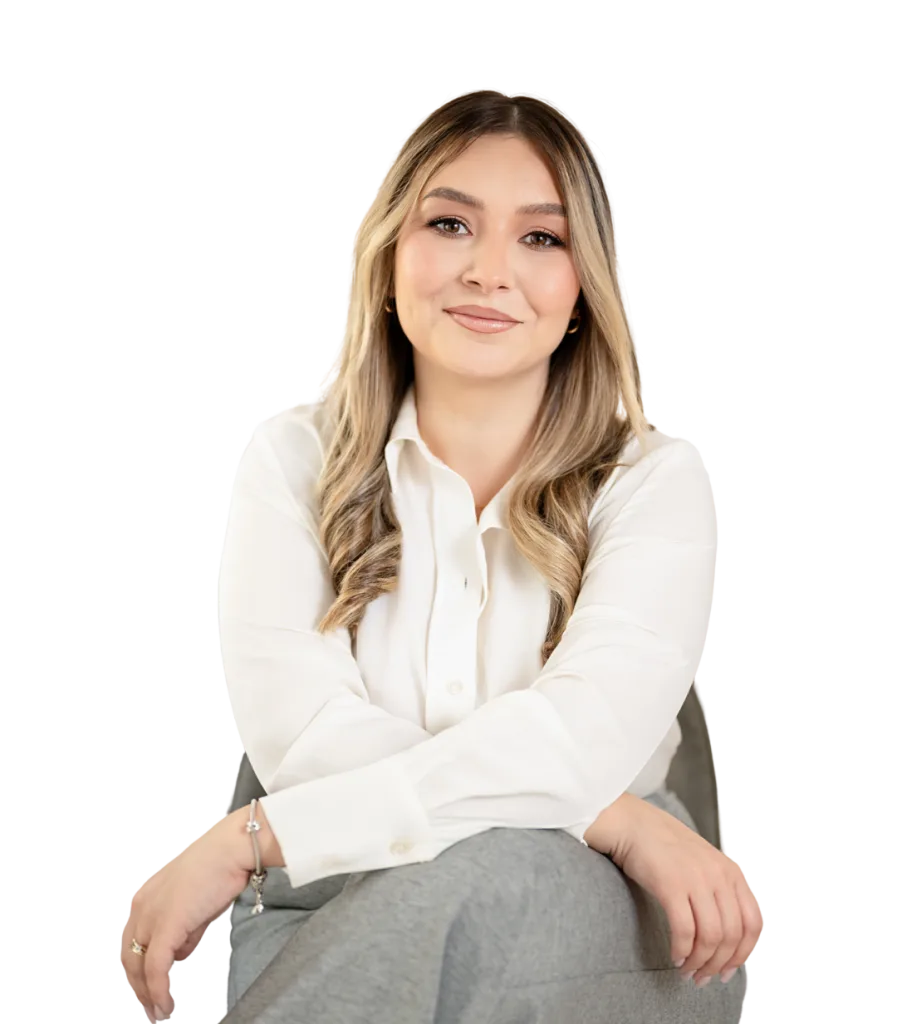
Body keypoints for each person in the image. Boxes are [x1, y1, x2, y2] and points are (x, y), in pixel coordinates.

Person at [121, 87, 762, 1023]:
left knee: (479, 879)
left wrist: (249, 840)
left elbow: (583, 738)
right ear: (389, 256)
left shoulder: (657, 478)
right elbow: (304, 738)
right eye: (451, 223)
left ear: (583, 287)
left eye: (540, 237)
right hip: (326, 899)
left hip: (605, 904)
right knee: (430, 908)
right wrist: (606, 814)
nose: (489, 271)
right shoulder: (289, 457)